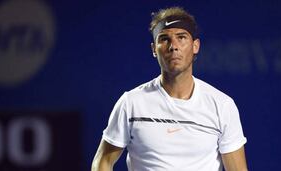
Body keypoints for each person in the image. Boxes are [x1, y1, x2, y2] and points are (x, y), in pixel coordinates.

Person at [92, 7, 248, 171]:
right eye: (165, 39)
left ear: (195, 46)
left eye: (181, 38)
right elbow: (103, 161)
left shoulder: (222, 105)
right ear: (154, 49)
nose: (173, 46)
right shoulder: (131, 103)